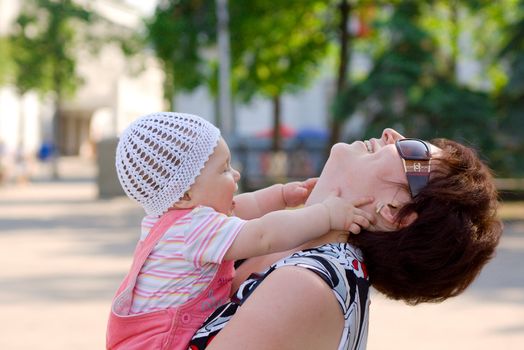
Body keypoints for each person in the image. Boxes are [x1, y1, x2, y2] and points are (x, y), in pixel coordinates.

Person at [188, 129, 503, 350]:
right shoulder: (282, 246)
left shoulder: (308, 284)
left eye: (412, 151)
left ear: (397, 211)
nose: (391, 134)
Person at [106, 112, 375, 350]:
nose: (235, 174)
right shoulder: (196, 230)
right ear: (185, 194)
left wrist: (281, 195)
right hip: (162, 343)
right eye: (224, 169)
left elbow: (247, 205)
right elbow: (263, 236)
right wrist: (327, 214)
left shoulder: (173, 219)